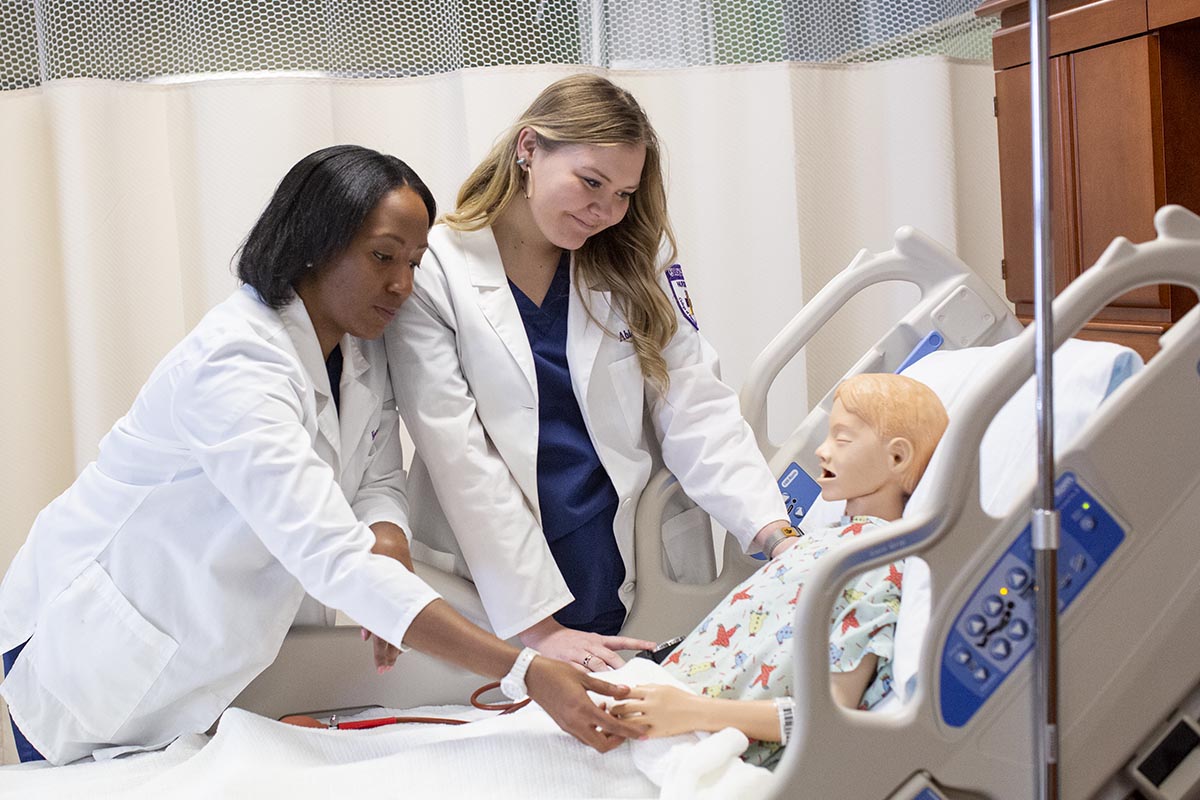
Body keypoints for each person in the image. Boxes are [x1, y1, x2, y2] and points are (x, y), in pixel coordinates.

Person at [0, 145, 643, 766]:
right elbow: (330, 556)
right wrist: (526, 670)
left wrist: (387, 536)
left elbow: (378, 473)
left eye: (414, 263)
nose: (401, 285)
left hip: (190, 650)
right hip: (92, 644)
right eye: (382, 257)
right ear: (313, 243)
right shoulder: (237, 364)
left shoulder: (357, 345)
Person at [385, 74, 795, 671]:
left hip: (619, 565)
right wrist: (540, 629)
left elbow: (695, 404)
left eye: (625, 193)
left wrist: (771, 531)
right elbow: (458, 455)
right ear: (529, 149)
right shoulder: (436, 268)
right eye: (591, 182)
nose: (606, 212)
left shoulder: (634, 264)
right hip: (498, 590)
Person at [609, 373, 949, 766]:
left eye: (842, 439)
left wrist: (690, 710)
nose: (822, 452)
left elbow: (832, 714)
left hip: (698, 740)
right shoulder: (829, 541)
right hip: (658, 700)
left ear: (897, 457)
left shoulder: (878, 565)